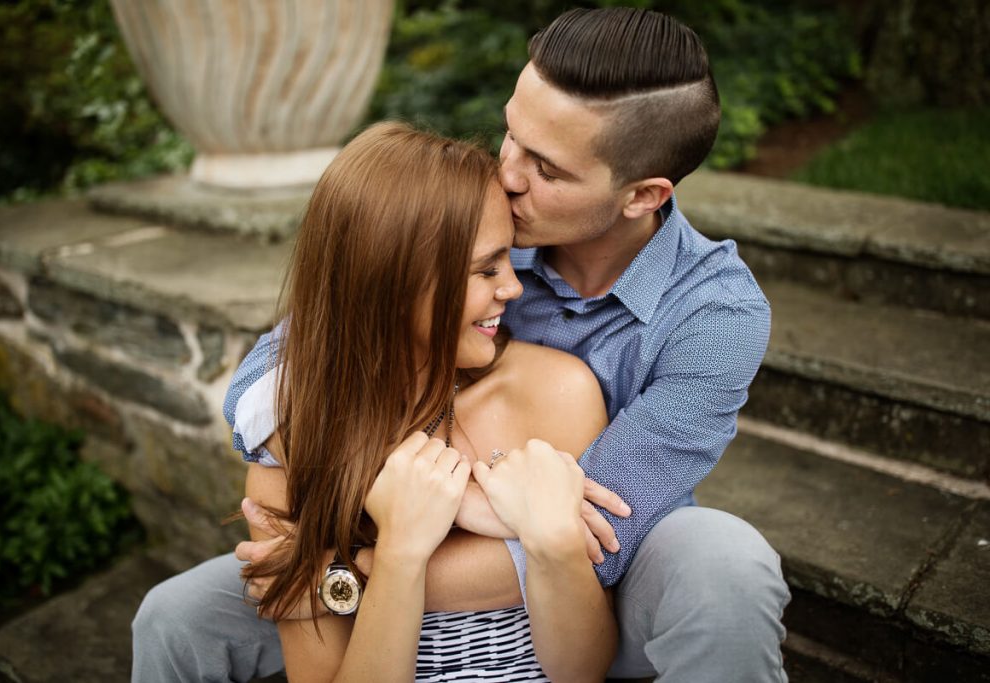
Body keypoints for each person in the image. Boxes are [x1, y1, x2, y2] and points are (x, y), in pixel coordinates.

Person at [134, 7, 791, 682]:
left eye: (545, 166)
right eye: (512, 133)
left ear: (641, 195)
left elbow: (598, 541)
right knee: (176, 615)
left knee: (725, 561)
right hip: (398, 526)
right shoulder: (480, 230)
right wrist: (380, 513)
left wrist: (333, 567)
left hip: (590, 582)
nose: (506, 173)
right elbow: (299, 356)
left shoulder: (715, 316)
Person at [137, 121, 617, 682]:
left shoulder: (558, 391)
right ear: (394, 283)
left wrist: (552, 541)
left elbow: (584, 671)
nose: (513, 288)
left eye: (509, 259)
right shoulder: (296, 433)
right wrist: (400, 554)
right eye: (486, 269)